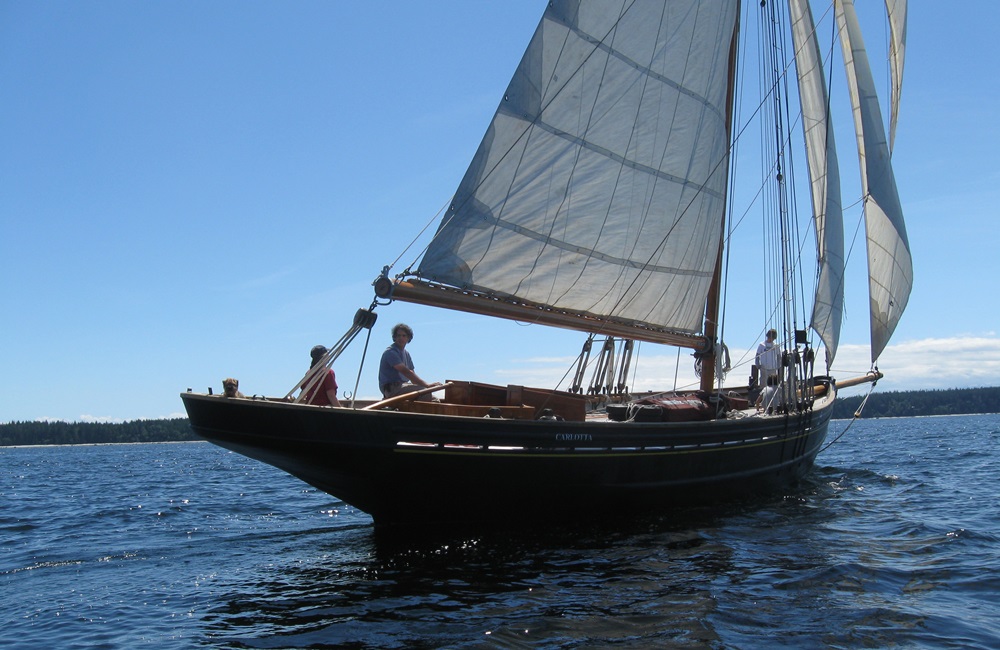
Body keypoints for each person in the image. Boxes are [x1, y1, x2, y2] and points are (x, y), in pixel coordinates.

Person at [378, 323, 439, 400]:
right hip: (392, 388)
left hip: (404, 386)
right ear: (394, 337)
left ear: (408, 338)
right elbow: (406, 372)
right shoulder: (390, 352)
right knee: (425, 393)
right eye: (398, 335)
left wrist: (427, 387)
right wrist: (427, 385)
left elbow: (412, 377)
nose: (401, 338)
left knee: (434, 399)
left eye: (404, 336)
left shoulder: (406, 354)